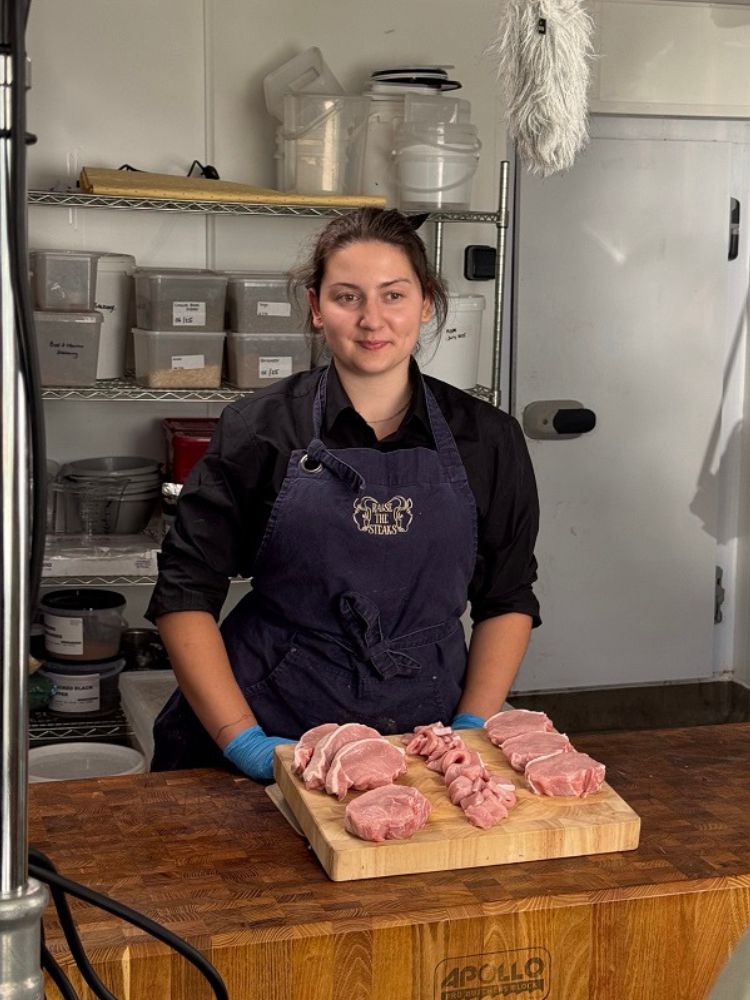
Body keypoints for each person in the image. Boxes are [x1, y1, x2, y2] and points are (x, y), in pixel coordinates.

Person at [145, 207, 541, 782]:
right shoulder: (259, 429)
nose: (372, 320)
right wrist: (247, 743)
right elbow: (184, 593)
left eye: (394, 295)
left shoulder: (489, 439)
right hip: (271, 711)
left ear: (426, 302)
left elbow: (507, 598)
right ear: (315, 307)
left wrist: (471, 727)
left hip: (425, 731)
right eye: (347, 297)